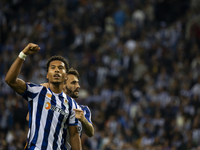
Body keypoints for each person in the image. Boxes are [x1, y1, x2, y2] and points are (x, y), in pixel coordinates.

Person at [5, 43, 82, 150]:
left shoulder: (71, 104)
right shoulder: (37, 91)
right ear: (47, 75)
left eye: (60, 68)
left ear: (65, 76)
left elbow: (74, 135)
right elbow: (10, 80)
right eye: (53, 68)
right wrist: (23, 54)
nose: (56, 70)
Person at [63, 68, 94, 149]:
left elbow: (91, 133)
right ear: (64, 85)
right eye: (73, 83)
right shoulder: (54, 105)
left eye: (77, 83)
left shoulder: (83, 109)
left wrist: (83, 120)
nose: (78, 86)